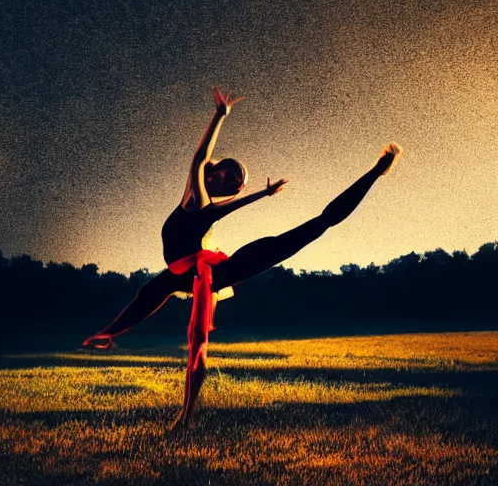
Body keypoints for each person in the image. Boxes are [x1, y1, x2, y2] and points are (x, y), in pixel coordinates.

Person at [83, 87, 402, 429]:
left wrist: (260, 194)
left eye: (236, 183)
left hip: (217, 272)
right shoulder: (195, 198)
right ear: (214, 175)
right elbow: (201, 158)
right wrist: (219, 118)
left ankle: (375, 172)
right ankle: (115, 339)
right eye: (230, 175)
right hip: (186, 274)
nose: (232, 183)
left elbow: (222, 198)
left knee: (313, 228)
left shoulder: (203, 206)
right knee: (160, 307)